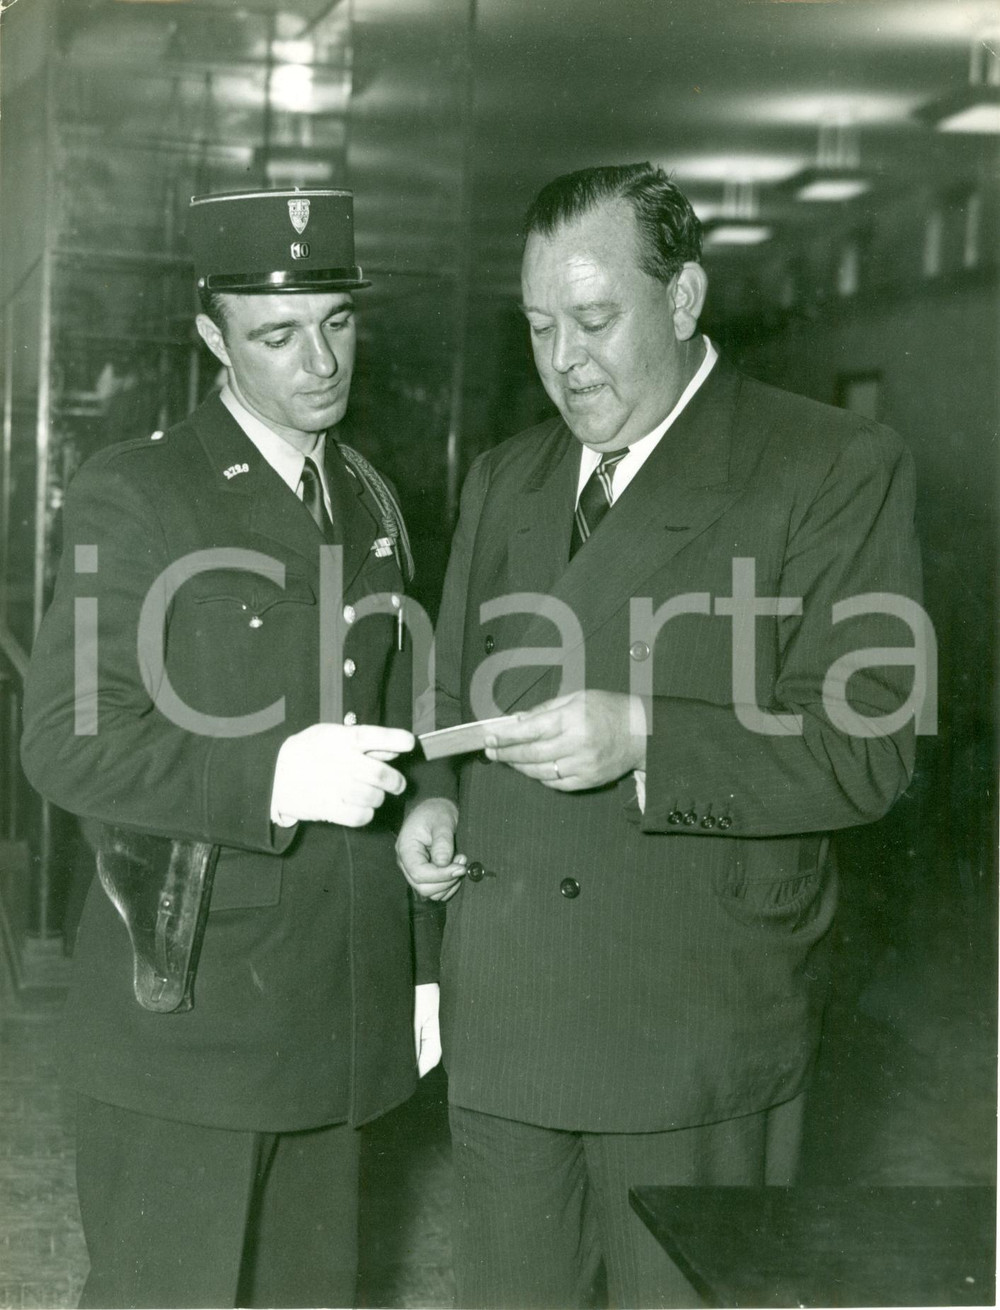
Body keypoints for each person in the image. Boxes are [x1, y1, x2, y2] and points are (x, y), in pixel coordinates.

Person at [397, 162, 923, 1308]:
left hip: (690, 1017)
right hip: (510, 1008)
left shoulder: (827, 466)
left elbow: (869, 746)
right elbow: (446, 693)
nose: (564, 359)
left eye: (594, 319)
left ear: (683, 298)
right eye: (538, 326)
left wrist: (647, 737)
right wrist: (437, 794)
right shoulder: (504, 476)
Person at [21, 188, 439, 1309]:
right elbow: (64, 741)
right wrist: (268, 776)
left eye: (338, 322)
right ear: (212, 337)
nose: (320, 361)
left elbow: (405, 724)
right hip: (189, 1016)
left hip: (336, 1016)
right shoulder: (142, 492)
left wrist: (425, 957)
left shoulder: (366, 495)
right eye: (276, 333)